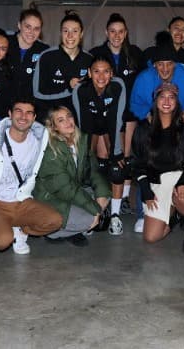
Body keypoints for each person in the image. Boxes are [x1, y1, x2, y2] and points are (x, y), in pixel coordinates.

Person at [0, 96, 63, 263]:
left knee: (55, 220)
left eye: (29, 113)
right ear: (9, 114)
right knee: (2, 241)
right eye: (19, 111)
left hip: (20, 200)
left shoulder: (40, 138)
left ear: (34, 117)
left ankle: (20, 232)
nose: (24, 117)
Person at [130, 31, 184, 232]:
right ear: (154, 65)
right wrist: (147, 113)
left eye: (168, 64)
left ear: (175, 63)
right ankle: (143, 212)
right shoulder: (144, 78)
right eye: (159, 64)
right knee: (145, 157)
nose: (164, 68)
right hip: (154, 128)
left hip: (180, 129)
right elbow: (134, 104)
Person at [132, 83, 184, 253]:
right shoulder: (143, 128)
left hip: (183, 177)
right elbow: (137, 163)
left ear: (177, 102)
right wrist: (145, 190)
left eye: (171, 97)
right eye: (162, 96)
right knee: (151, 237)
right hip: (157, 182)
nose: (167, 101)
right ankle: (176, 216)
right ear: (155, 100)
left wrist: (183, 181)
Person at [89, 13, 147, 215]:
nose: (116, 35)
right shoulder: (96, 53)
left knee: (126, 158)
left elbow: (145, 81)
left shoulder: (135, 54)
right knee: (105, 157)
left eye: (120, 31)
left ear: (126, 33)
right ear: (106, 32)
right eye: (112, 31)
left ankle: (123, 198)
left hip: (129, 114)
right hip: (104, 114)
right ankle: (106, 196)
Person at [33, 106, 111, 247]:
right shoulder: (51, 149)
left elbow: (93, 171)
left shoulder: (80, 140)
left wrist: (101, 196)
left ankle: (71, 227)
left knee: (105, 195)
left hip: (71, 193)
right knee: (89, 219)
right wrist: (95, 210)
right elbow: (65, 188)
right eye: (61, 120)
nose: (68, 122)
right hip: (50, 198)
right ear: (54, 126)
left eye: (69, 116)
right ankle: (53, 232)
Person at [72, 56, 128, 235]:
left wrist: (117, 152)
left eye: (106, 71)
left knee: (118, 167)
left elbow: (116, 120)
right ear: (89, 73)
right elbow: (83, 126)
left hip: (111, 124)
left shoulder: (118, 86)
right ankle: (89, 213)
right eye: (96, 71)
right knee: (86, 167)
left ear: (111, 73)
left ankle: (115, 215)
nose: (101, 76)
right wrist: (84, 156)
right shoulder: (81, 90)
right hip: (90, 127)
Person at [33, 10, 93, 122]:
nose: (70, 35)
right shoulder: (47, 56)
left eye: (75, 31)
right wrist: (68, 88)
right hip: (51, 120)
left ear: (81, 34)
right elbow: (38, 92)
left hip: (77, 121)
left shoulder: (89, 59)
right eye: (66, 31)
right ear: (61, 33)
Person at [6, 5, 50, 99]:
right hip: (2, 107)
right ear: (19, 25)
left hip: (29, 108)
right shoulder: (4, 43)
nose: (31, 32)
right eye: (28, 27)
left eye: (36, 28)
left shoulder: (44, 51)